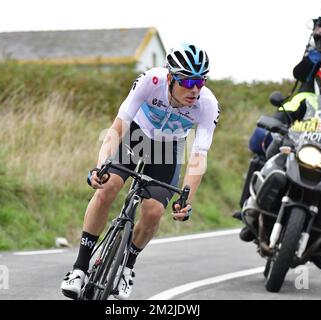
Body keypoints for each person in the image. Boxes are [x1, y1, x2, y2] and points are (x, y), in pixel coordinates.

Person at [60, 43, 220, 300]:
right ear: (171, 78)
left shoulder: (207, 104)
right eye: (188, 82)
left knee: (154, 210)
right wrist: (101, 165)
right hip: (137, 135)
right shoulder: (151, 80)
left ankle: (127, 268)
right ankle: (79, 268)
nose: (196, 89)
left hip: (169, 147)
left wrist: (185, 200)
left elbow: (199, 157)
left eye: (200, 81)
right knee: (108, 186)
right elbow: (119, 125)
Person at [239, 63, 321, 271]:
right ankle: (252, 212)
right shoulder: (305, 99)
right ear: (320, 85)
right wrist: (276, 121)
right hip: (297, 148)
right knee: (272, 168)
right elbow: (285, 114)